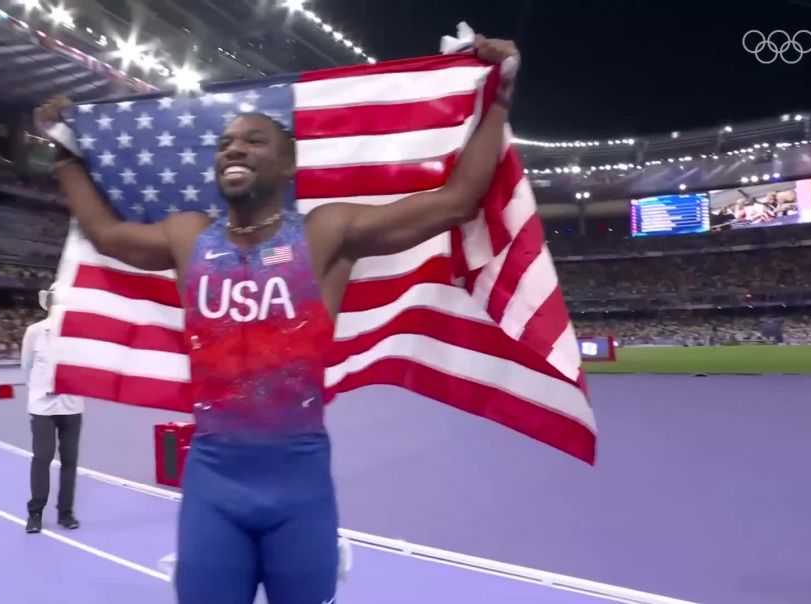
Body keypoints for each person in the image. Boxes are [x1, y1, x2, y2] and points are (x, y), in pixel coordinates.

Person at [36, 34, 518, 604]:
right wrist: (65, 155)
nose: (233, 150)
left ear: (289, 163)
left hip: (300, 486)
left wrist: (499, 99)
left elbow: (456, 202)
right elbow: (106, 235)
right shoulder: (187, 235)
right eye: (225, 143)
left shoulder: (326, 234)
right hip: (214, 481)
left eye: (253, 141)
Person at [21, 286, 84, 534]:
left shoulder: (80, 333)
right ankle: (35, 512)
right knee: (42, 458)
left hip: (72, 406)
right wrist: (39, 391)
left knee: (69, 461)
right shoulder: (34, 332)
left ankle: (65, 513)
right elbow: (26, 367)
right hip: (42, 408)